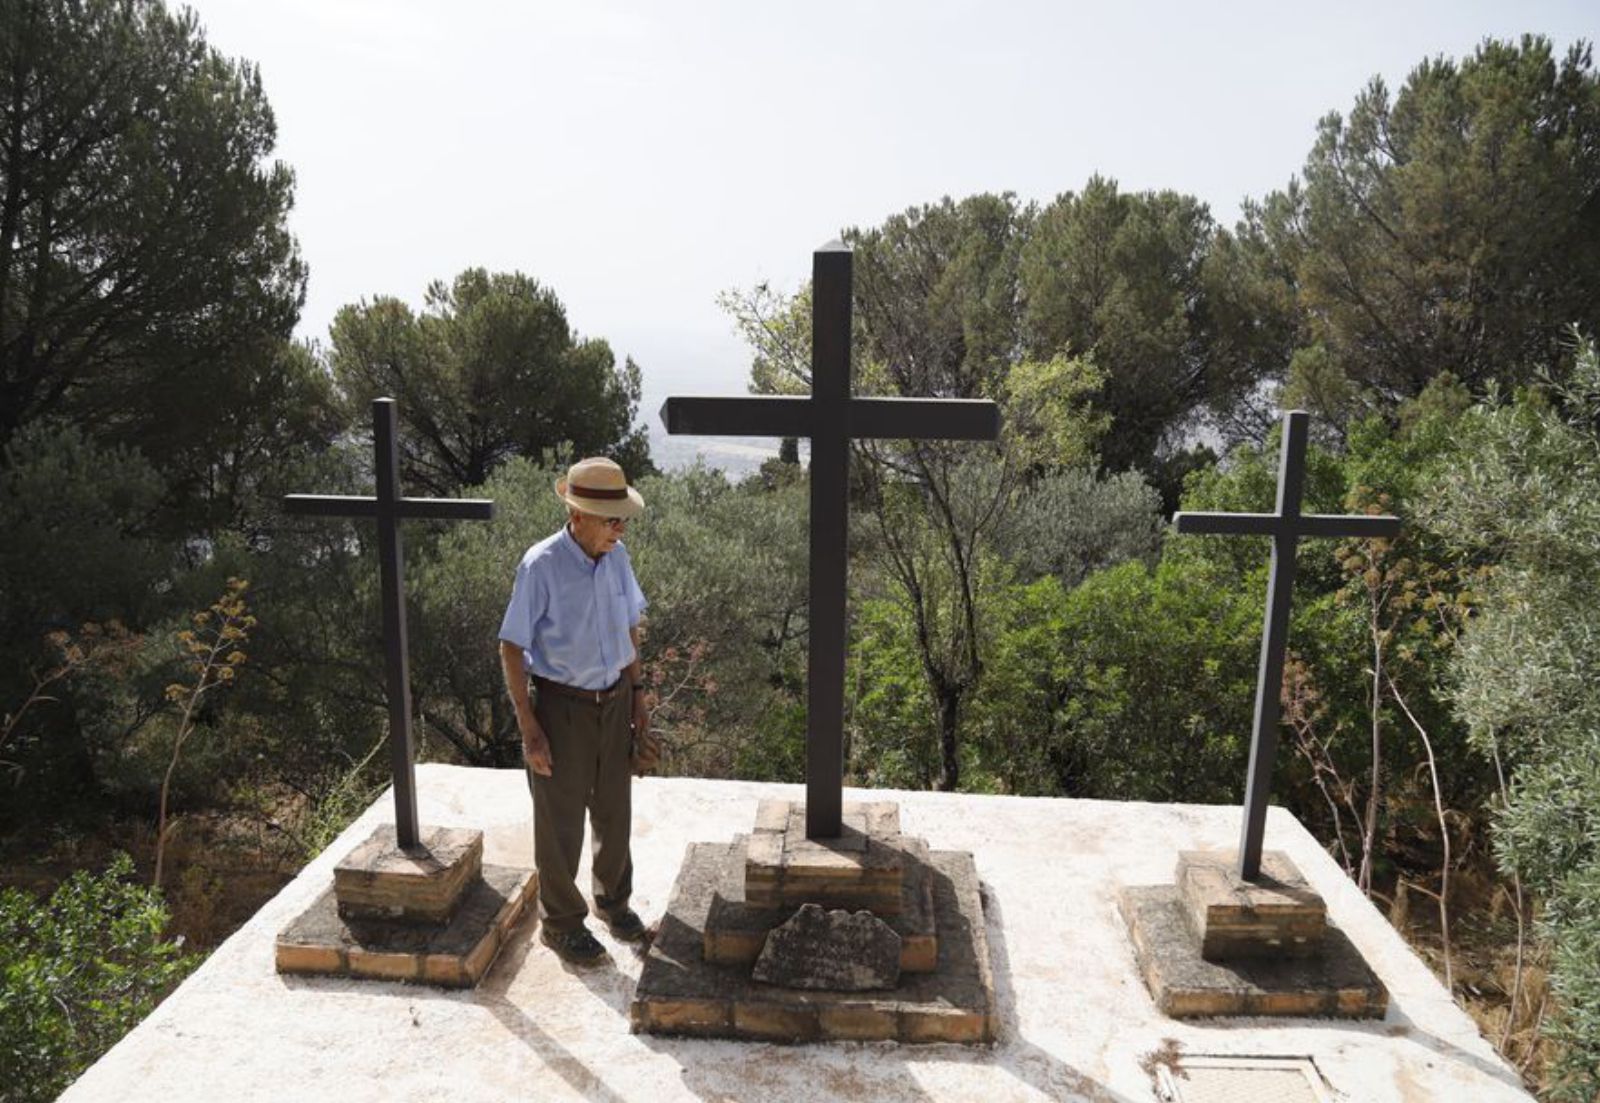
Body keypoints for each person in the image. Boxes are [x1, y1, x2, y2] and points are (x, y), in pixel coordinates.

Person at [497, 456, 655, 965]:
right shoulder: (541, 565)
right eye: (612, 519)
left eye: (623, 518)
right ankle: (562, 924)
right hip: (561, 706)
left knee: (614, 807)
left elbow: (630, 626)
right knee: (560, 819)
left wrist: (638, 696)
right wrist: (529, 727)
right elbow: (511, 647)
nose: (620, 527)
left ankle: (613, 902)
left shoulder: (618, 559)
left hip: (613, 702)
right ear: (579, 514)